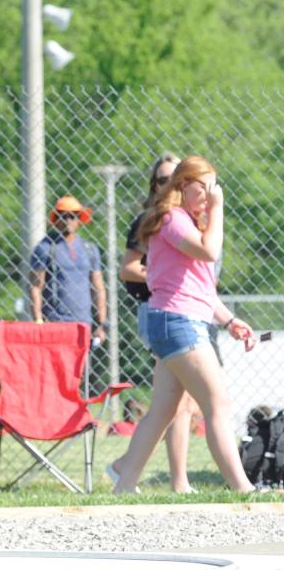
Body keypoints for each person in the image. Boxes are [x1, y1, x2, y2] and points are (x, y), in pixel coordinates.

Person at [107, 155, 257, 494]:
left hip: (179, 319)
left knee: (163, 409)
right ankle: (242, 488)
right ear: (181, 186)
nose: (208, 194)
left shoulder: (184, 221)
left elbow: (199, 287)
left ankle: (125, 481)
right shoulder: (172, 219)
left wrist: (230, 321)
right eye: (201, 187)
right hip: (178, 322)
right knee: (217, 404)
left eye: (212, 187)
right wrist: (217, 209)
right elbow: (209, 253)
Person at [121, 153, 200, 493]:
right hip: (160, 310)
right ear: (154, 186)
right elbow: (128, 268)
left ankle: (124, 470)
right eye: (163, 179)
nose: (171, 184)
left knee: (173, 402)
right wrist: (161, 278)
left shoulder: (185, 220)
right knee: (178, 403)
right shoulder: (150, 220)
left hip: (187, 310)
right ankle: (178, 481)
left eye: (178, 178)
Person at [29, 195, 108, 344]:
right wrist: (38, 322)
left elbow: (98, 288)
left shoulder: (89, 250)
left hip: (84, 323)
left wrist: (102, 323)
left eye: (73, 216)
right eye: (63, 216)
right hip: (54, 323)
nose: (68, 220)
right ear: (56, 219)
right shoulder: (45, 248)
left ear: (79, 219)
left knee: (82, 367)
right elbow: (35, 287)